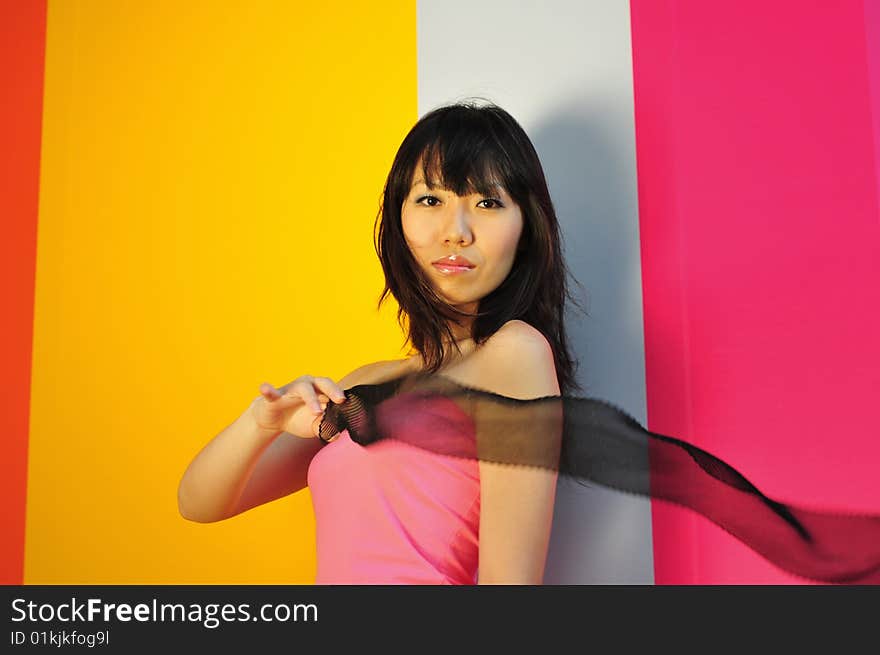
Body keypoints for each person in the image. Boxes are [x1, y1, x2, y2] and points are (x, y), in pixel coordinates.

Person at [177, 99, 583, 584]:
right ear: (399, 218)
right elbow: (198, 503)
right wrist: (261, 421)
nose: (456, 231)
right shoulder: (366, 382)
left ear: (526, 228)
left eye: (487, 203)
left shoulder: (516, 353)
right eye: (431, 200)